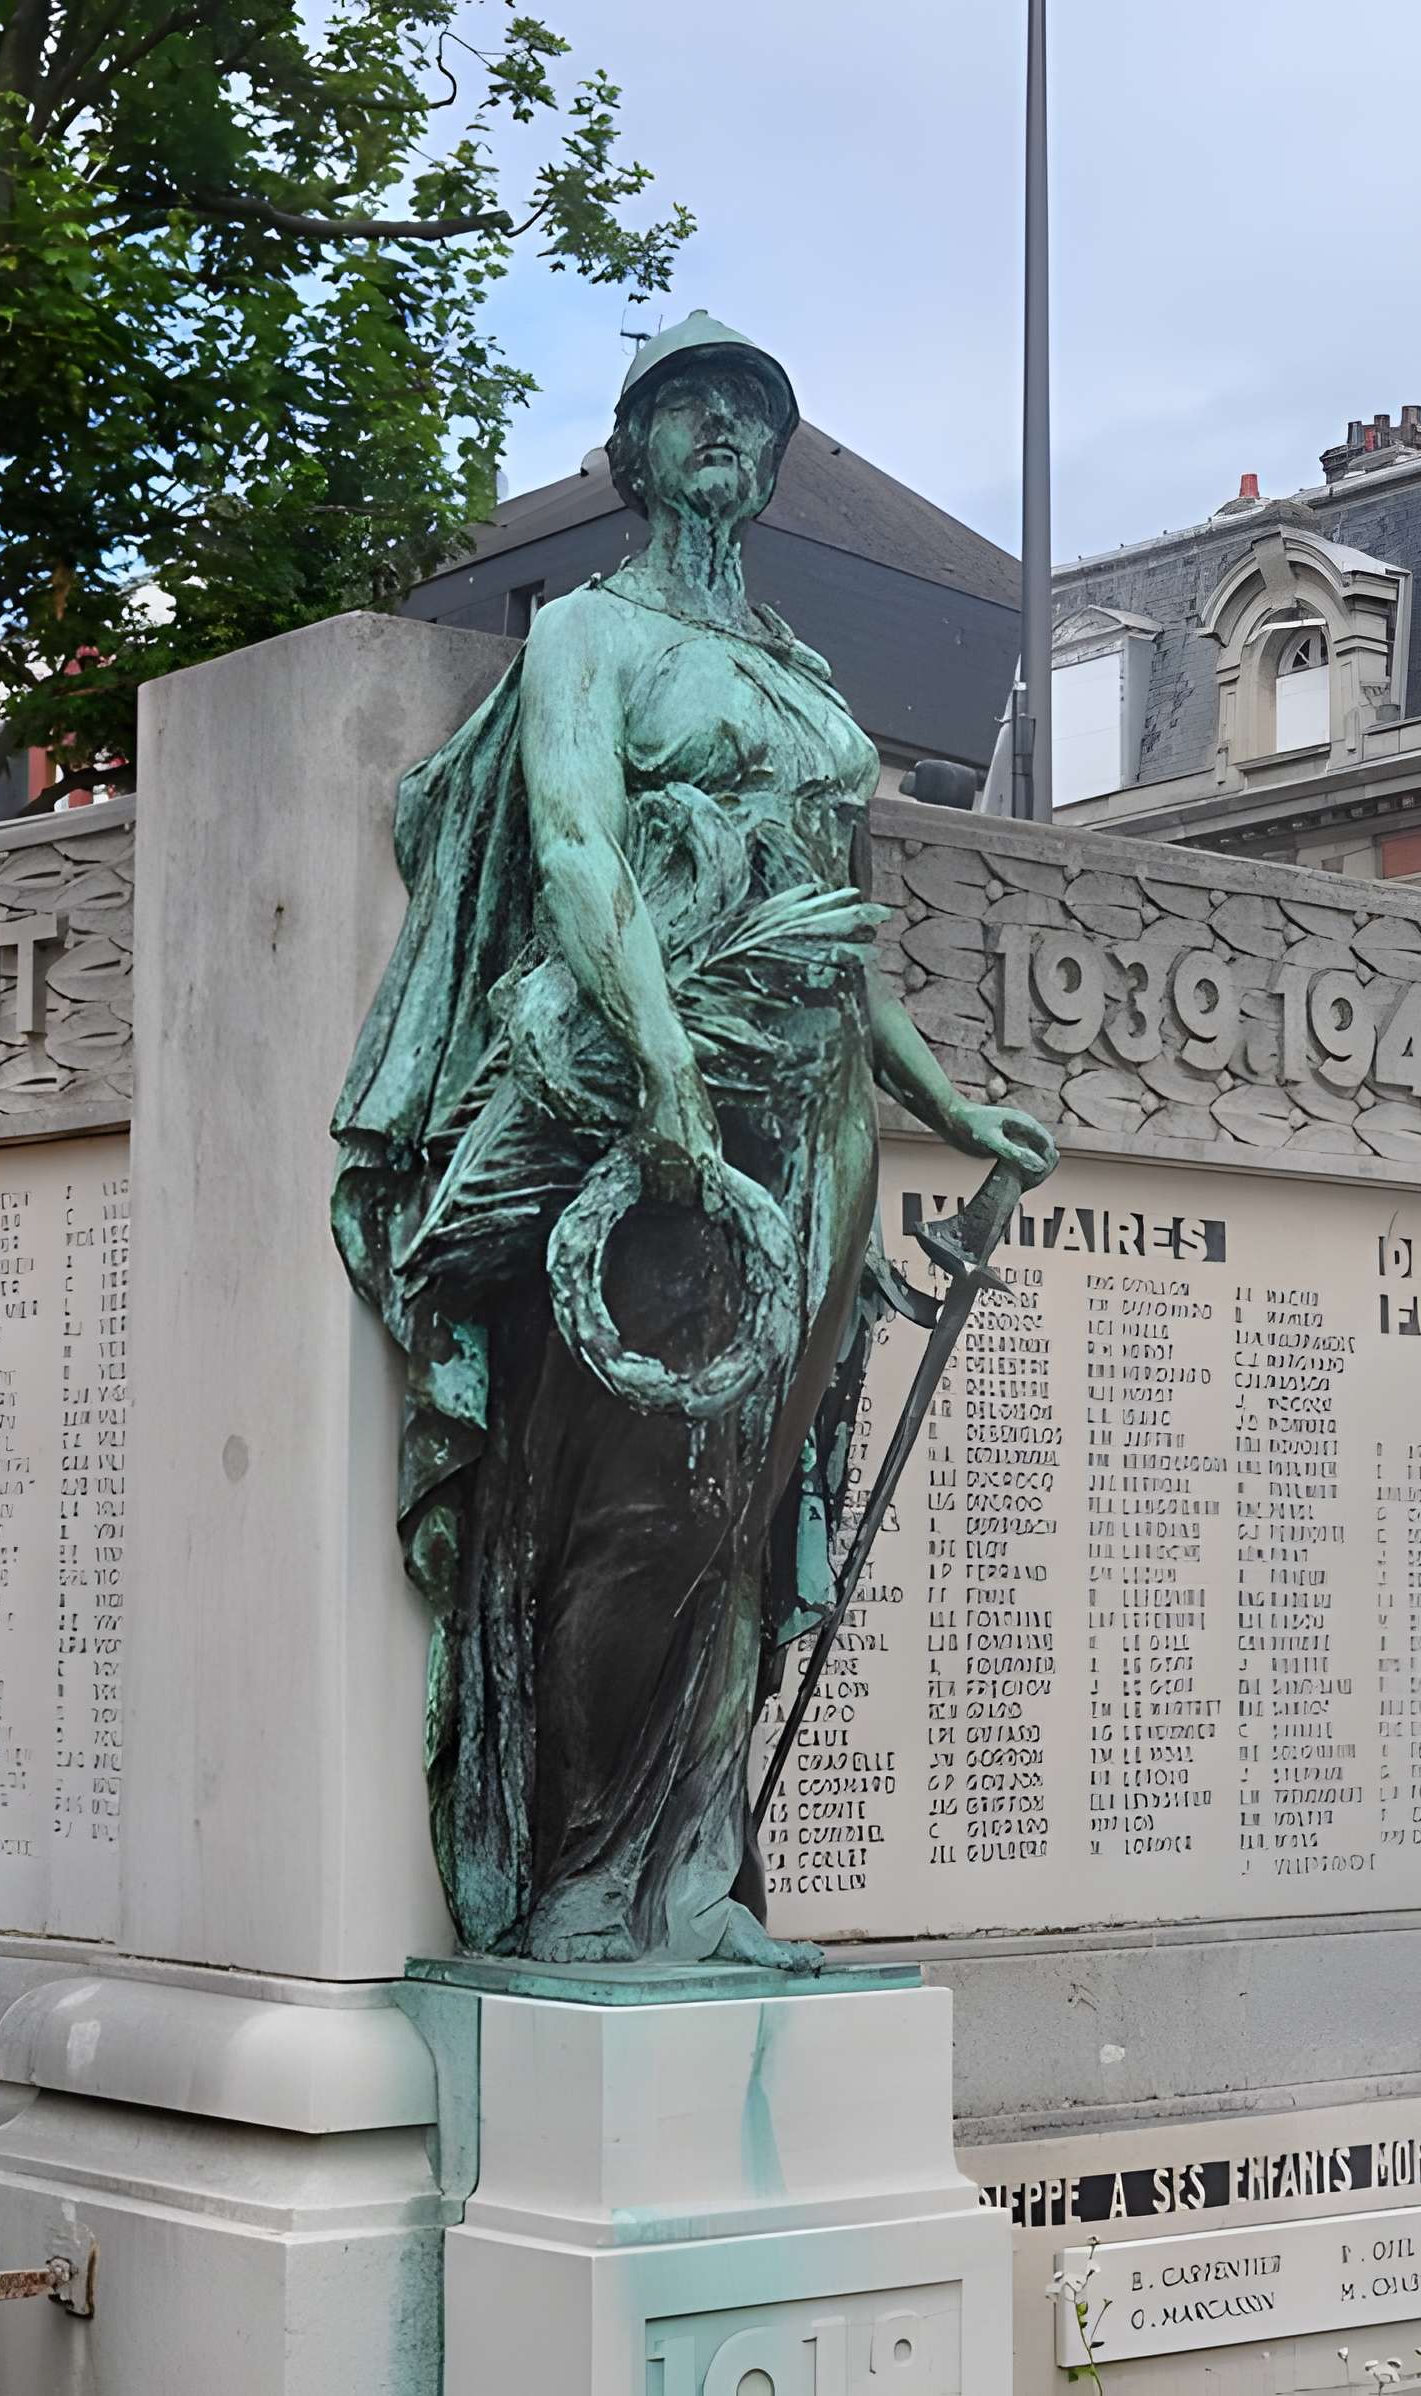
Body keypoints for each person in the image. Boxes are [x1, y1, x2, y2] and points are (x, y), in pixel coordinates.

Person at [332, 312, 1055, 1967]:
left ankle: (696, 1885)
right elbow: (580, 852)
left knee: (745, 1502)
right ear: (635, 449)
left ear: (774, 463)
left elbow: (844, 925)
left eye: (749, 412)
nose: (723, 428)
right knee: (641, 1496)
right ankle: (583, 1875)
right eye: (690, 406)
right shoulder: (591, 631)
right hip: (668, 1098)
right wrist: (660, 1074)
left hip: (810, 1116)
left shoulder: (802, 676)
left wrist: (943, 1100)